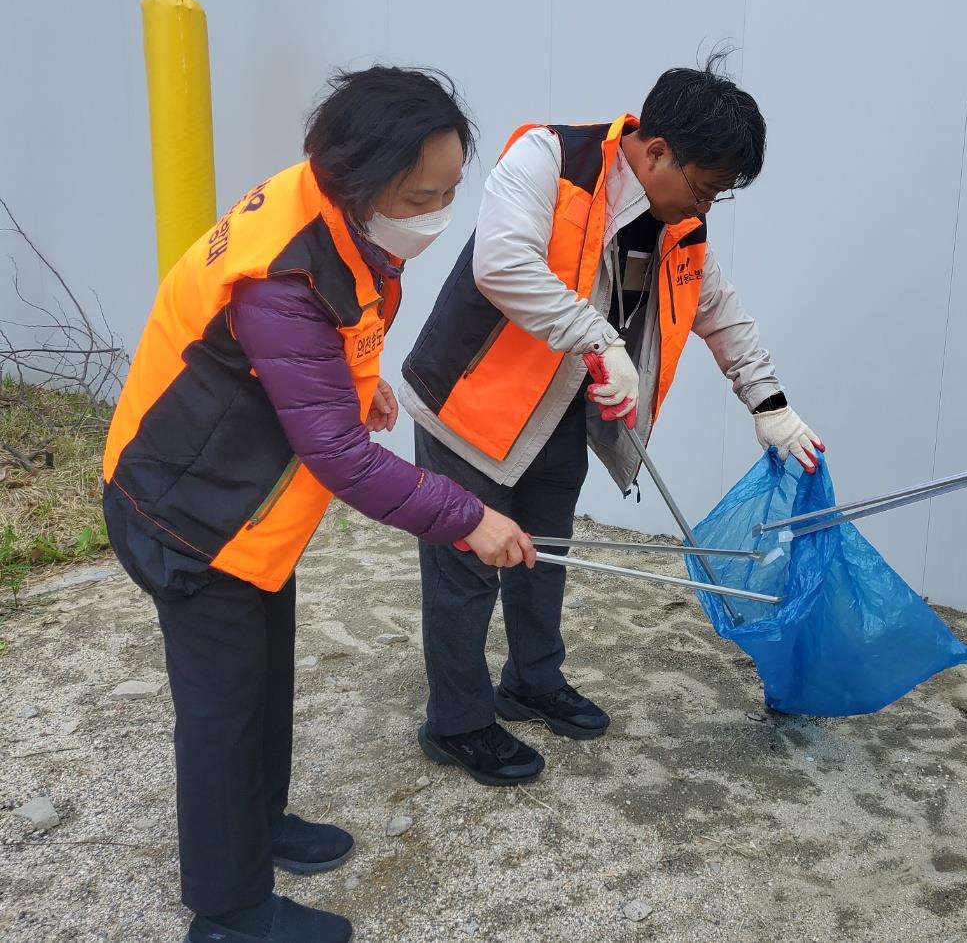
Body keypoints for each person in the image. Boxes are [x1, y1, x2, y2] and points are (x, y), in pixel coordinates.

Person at [103, 66, 535, 943]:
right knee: (223, 711)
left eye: (452, 189)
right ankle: (226, 912)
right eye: (422, 195)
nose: (439, 211)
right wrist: (469, 517)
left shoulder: (344, 226)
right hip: (189, 516)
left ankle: (258, 829)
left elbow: (328, 354)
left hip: (247, 508)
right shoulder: (284, 275)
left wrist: (353, 386)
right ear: (355, 181)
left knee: (263, 681)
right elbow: (337, 456)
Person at [399, 51, 822, 785]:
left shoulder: (674, 225)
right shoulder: (547, 159)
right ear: (656, 151)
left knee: (545, 552)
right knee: (467, 566)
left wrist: (771, 406)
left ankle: (532, 679)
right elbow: (500, 264)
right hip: (470, 399)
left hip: (554, 410)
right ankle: (458, 721)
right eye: (705, 186)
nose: (705, 208)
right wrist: (596, 337)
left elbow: (720, 315)